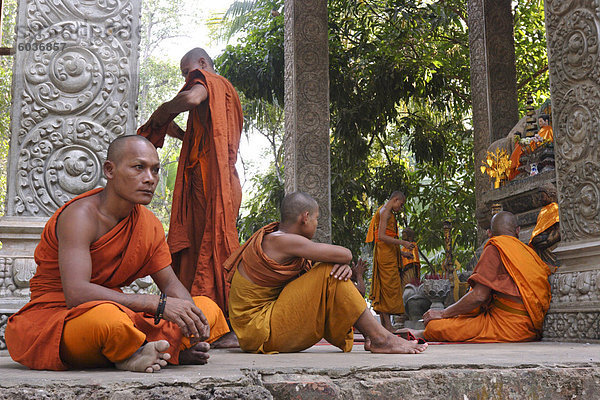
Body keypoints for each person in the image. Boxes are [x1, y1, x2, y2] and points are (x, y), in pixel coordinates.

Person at [5, 136, 234, 372]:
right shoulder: (80, 216)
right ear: (109, 170)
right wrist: (155, 303)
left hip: (123, 314)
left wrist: (191, 318)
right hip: (61, 317)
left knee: (207, 307)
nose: (150, 179)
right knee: (108, 323)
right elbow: (76, 293)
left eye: (155, 170)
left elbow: (170, 283)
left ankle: (139, 350)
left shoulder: (148, 224)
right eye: (139, 167)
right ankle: (158, 350)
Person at [224, 192, 428, 355]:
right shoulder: (282, 240)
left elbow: (314, 284)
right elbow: (345, 254)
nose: (316, 224)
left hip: (259, 328)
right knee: (329, 271)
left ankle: (378, 336)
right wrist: (340, 264)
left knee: (332, 272)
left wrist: (344, 269)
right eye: (316, 219)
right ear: (305, 217)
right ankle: (380, 338)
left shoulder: (281, 241)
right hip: (260, 328)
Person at [138, 47, 243, 314]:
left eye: (187, 73)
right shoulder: (229, 94)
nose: (188, 79)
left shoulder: (210, 81)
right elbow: (210, 141)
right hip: (225, 180)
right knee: (207, 246)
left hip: (209, 181)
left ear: (202, 63)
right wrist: (179, 133)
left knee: (207, 245)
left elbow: (193, 99)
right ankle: (210, 311)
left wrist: (162, 113)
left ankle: (212, 314)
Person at [408, 211, 552, 343]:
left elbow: (479, 296)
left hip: (508, 326)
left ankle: (422, 333)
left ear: (489, 233)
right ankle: (422, 332)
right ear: (518, 231)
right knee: (457, 320)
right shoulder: (529, 252)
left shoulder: (495, 248)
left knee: (435, 327)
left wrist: (443, 313)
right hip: (530, 326)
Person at [365, 191, 415, 332]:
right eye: (401, 204)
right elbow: (381, 236)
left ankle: (385, 326)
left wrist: (402, 252)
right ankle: (387, 326)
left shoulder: (387, 212)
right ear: (395, 199)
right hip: (385, 257)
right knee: (389, 287)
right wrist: (403, 242)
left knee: (386, 288)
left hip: (388, 253)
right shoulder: (385, 212)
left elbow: (388, 239)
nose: (401, 207)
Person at [529, 184, 560, 267]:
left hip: (551, 238)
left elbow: (558, 228)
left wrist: (549, 240)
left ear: (550, 195)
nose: (540, 199)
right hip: (543, 237)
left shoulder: (555, 208)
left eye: (542, 196)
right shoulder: (543, 211)